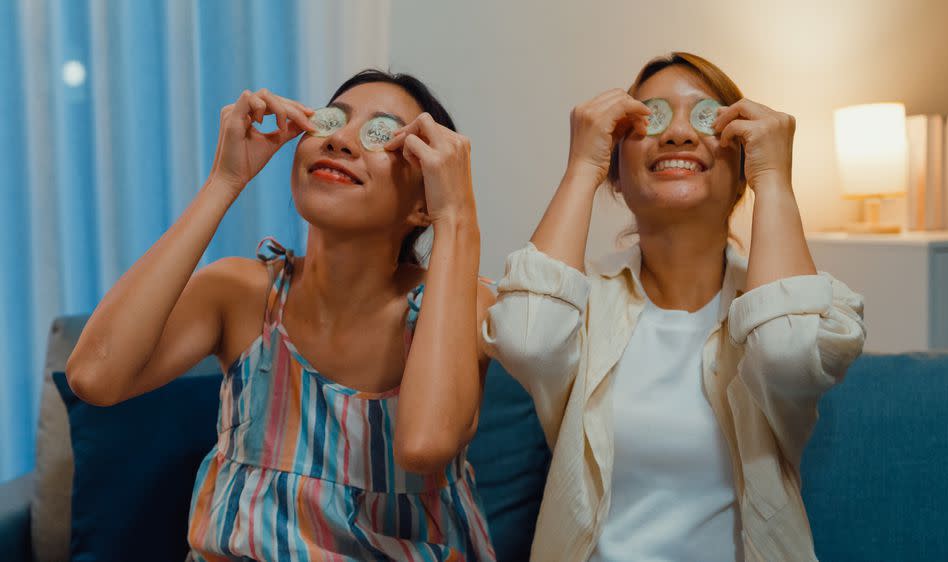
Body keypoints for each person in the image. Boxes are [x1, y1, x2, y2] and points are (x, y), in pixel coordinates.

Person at [67, 69, 496, 561]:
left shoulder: (459, 308)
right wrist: (225, 181)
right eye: (333, 120)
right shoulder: (242, 293)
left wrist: (457, 216)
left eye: (381, 134)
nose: (340, 140)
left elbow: (424, 445)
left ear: (425, 199)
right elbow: (94, 375)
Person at [483, 52, 866, 561]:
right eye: (652, 118)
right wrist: (582, 166)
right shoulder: (581, 305)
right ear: (616, 173)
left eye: (705, 118)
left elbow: (786, 354)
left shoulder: (790, 304)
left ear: (741, 170)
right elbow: (526, 342)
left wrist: (774, 176)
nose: (679, 134)